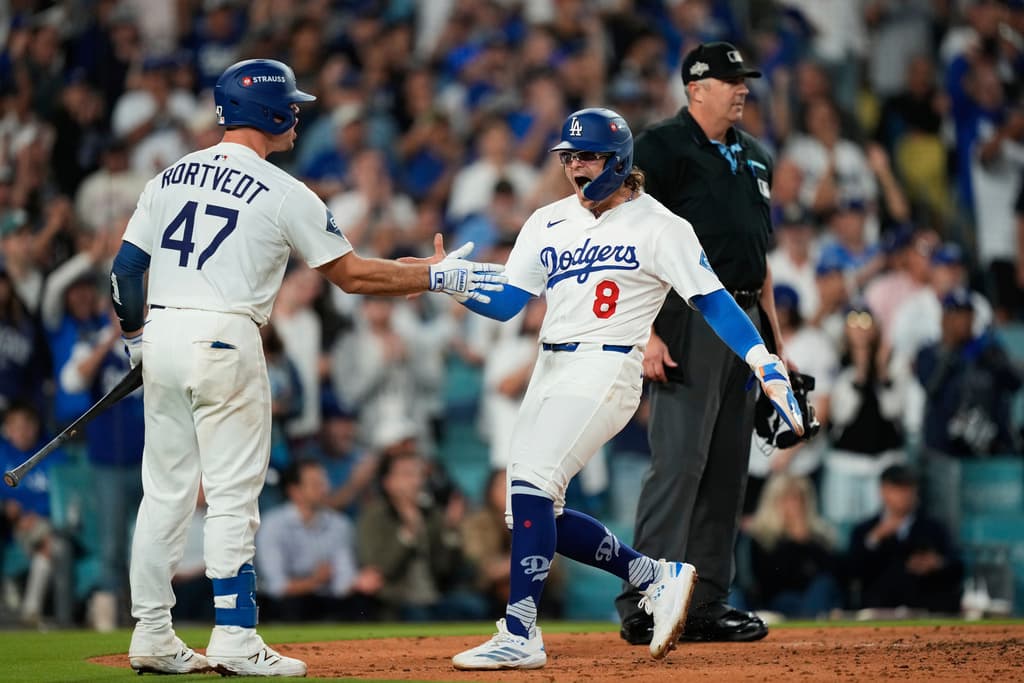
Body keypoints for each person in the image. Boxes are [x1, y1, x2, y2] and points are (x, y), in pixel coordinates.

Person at [108, 58, 506, 677]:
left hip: (162, 331)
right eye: (289, 104)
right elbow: (351, 276)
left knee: (164, 494)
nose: (297, 112)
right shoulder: (283, 190)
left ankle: (153, 634)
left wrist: (136, 342)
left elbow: (126, 271)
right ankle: (235, 638)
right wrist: (435, 275)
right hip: (225, 337)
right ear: (267, 111)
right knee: (235, 497)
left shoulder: (168, 177)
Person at [449, 107, 803, 671]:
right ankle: (652, 574)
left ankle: (520, 631)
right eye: (568, 157)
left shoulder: (661, 225)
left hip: (608, 367)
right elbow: (509, 302)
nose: (574, 167)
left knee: (535, 487)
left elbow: (714, 299)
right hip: (549, 368)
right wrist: (452, 282)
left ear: (618, 160)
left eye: (585, 156)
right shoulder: (547, 220)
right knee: (532, 512)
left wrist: (763, 360)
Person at [615, 42, 787, 645]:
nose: (742, 89)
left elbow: (758, 260)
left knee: (726, 470)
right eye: (730, 80)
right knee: (679, 463)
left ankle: (708, 602)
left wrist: (775, 348)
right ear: (695, 88)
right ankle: (644, 598)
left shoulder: (756, 157)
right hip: (686, 314)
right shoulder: (659, 148)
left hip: (743, 320)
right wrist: (647, 330)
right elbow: (622, 238)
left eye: (744, 80)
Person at [256, 459, 381, 622]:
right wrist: (314, 581)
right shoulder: (273, 525)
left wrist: (358, 581)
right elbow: (276, 586)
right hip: (283, 604)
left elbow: (343, 579)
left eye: (324, 482)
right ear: (295, 491)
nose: (324, 489)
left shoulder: (339, 524)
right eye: (316, 484)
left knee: (360, 602)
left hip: (325, 598)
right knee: (289, 606)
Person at [846, 464, 963, 614]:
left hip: (924, 607)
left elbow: (957, 566)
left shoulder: (934, 528)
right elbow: (851, 572)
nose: (904, 495)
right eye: (898, 489)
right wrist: (873, 539)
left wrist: (937, 563)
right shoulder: (864, 530)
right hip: (879, 608)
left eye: (909, 488)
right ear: (883, 491)